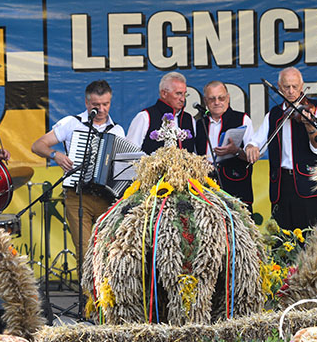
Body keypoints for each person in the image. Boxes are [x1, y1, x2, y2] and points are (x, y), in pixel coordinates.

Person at [31, 79, 125, 257]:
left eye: (106, 104)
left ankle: (103, 286)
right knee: (85, 251)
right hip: (77, 195)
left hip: (106, 198)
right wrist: (56, 155)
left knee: (107, 252)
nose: (102, 109)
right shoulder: (72, 123)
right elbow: (38, 145)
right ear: (87, 103)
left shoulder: (117, 131)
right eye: (96, 105)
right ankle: (87, 286)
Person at [245, 67, 317, 230]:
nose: (291, 91)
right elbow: (257, 141)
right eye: (286, 87)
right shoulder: (274, 114)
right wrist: (251, 146)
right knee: (282, 237)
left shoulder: (315, 107)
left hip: (307, 182)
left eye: (295, 87)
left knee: (310, 237)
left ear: (302, 86)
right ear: (279, 86)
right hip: (282, 184)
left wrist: (308, 125)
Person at [193, 81, 254, 206]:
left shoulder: (242, 119)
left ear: (228, 98)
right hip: (206, 189)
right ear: (205, 100)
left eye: (221, 98)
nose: (217, 102)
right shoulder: (199, 124)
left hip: (235, 186)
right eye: (212, 99)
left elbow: (251, 157)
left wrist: (235, 151)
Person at [126, 73, 198, 154]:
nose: (183, 99)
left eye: (185, 94)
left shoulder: (189, 119)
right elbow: (129, 154)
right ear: (164, 93)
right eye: (178, 93)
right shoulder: (145, 117)